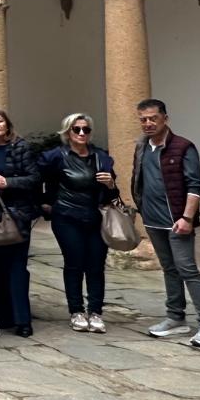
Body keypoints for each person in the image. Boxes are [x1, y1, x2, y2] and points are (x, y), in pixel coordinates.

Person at [134, 99, 200, 348]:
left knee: (187, 269)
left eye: (153, 118)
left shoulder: (183, 147)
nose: (148, 123)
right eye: (143, 119)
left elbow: (195, 185)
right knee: (169, 269)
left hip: (177, 221)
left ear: (165, 119)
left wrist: (187, 218)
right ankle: (175, 317)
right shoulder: (141, 146)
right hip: (152, 220)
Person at [41, 112, 118, 333]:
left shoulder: (101, 157)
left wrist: (111, 184)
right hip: (67, 217)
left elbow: (114, 193)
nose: (82, 133)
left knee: (96, 265)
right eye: (77, 129)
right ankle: (76, 310)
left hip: (96, 217)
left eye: (86, 129)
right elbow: (41, 181)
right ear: (68, 132)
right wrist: (46, 204)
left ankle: (95, 311)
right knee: (74, 263)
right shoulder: (55, 156)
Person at [0, 107, 42, 337]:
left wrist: (8, 183)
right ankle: (2, 315)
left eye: (0, 121)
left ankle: (22, 320)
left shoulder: (21, 147)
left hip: (17, 216)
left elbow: (35, 178)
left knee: (17, 269)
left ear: (7, 125)